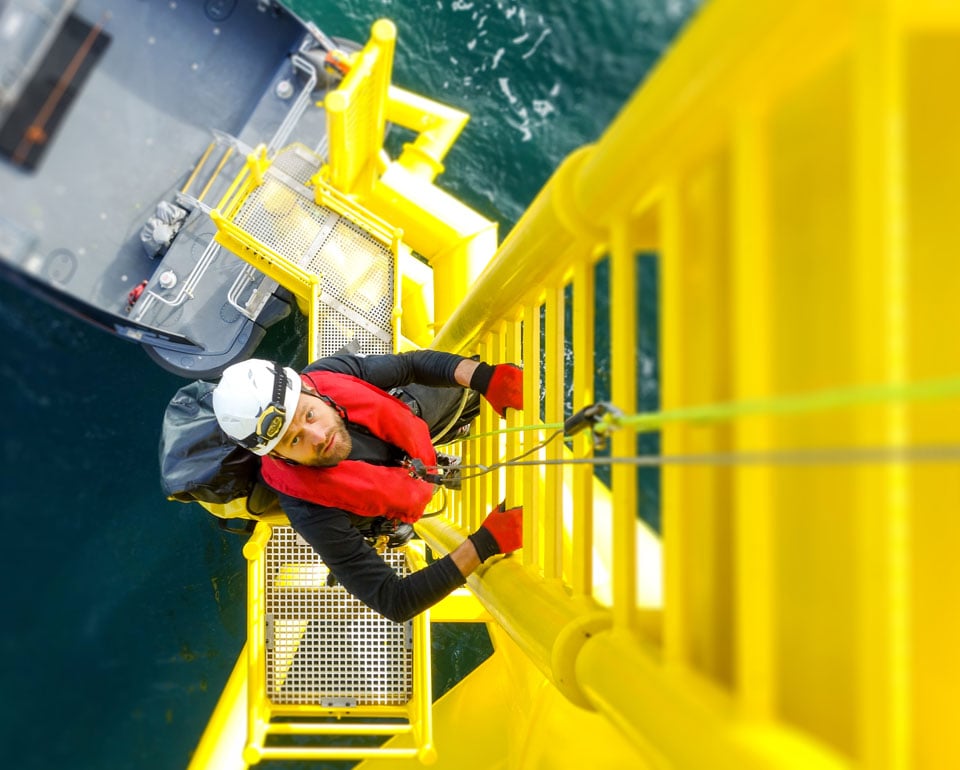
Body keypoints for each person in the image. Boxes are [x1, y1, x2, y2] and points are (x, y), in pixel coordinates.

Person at [212, 349, 524, 622]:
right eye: (295, 439)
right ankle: (401, 513)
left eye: (309, 415)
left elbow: (409, 366)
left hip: (400, 444)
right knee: (397, 527)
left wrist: (484, 378)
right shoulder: (309, 510)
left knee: (462, 380)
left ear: (310, 390)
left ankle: (443, 443)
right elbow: (394, 600)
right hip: (372, 505)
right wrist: (485, 543)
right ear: (278, 456)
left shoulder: (327, 374)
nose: (318, 436)